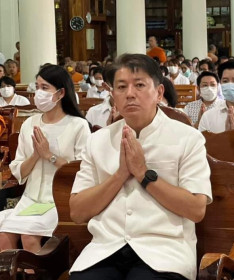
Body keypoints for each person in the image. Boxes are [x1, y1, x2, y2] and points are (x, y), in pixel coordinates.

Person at [69, 53, 212, 280]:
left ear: (159, 92)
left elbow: (196, 209)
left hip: (164, 251)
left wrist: (143, 174)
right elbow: (77, 212)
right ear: (113, 94)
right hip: (106, 249)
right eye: (121, 87)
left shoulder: (187, 138)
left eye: (139, 85)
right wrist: (120, 175)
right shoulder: (97, 140)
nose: (130, 94)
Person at [0, 65, 90, 259]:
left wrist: (50, 155)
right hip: (31, 199)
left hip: (60, 200)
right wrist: (36, 155)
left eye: (45, 88)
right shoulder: (30, 124)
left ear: (60, 93)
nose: (38, 93)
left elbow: (82, 170)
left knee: (29, 237)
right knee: (4, 238)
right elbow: (18, 170)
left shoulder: (77, 125)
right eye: (37, 87)